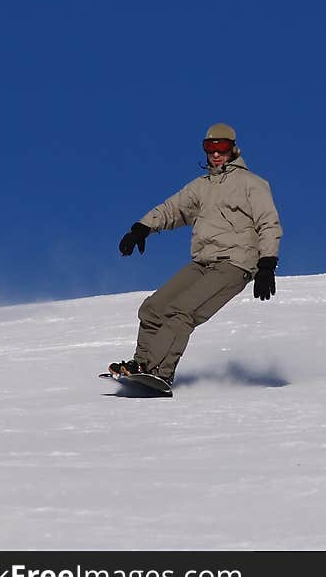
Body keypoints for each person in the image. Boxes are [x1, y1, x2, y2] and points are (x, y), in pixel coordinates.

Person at [108, 122, 282, 385]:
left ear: (233, 149)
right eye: (209, 147)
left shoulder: (252, 183)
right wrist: (141, 229)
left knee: (180, 312)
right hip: (202, 261)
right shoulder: (201, 186)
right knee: (153, 308)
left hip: (234, 264)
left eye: (221, 147)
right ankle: (142, 364)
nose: (215, 153)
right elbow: (173, 209)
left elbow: (268, 223)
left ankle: (159, 371)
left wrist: (267, 264)